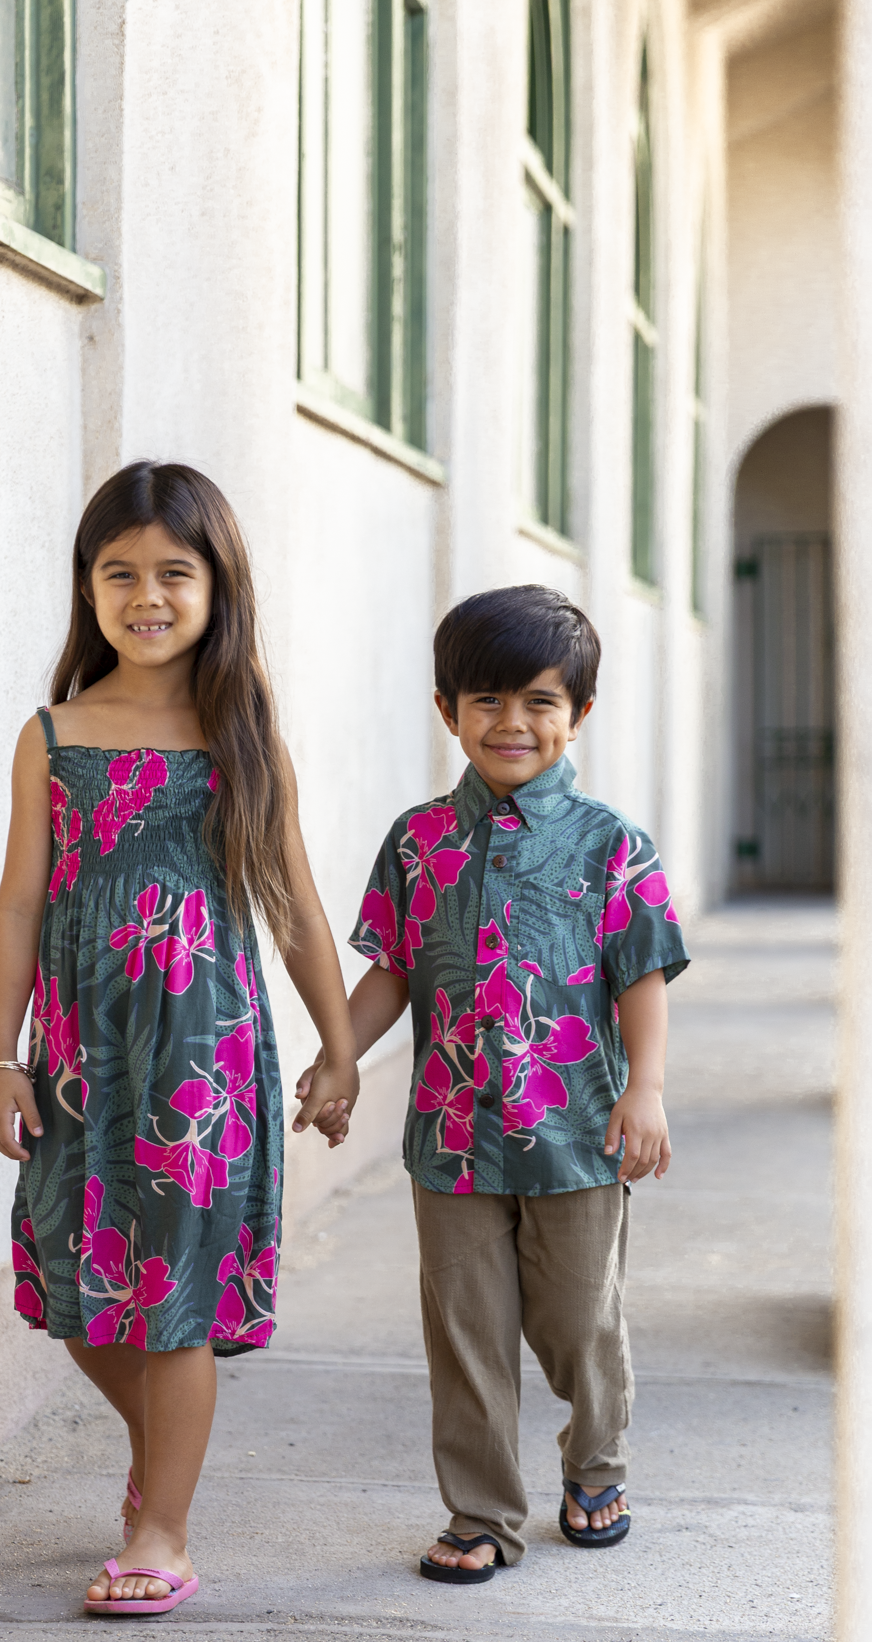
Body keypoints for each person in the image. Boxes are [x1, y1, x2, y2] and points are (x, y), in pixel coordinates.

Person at [0, 461, 359, 1615]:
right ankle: (164, 1451)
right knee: (69, 1273)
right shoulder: (53, 735)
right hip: (79, 1060)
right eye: (118, 573)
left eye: (172, 573)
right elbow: (17, 906)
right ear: (87, 590)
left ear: (217, 587)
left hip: (202, 1058)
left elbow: (291, 906)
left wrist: (340, 1051)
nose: (145, 595)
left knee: (174, 1297)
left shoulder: (241, 738)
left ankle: (163, 1529)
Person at [299, 584, 688, 1582]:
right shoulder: (416, 840)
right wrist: (341, 1055)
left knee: (577, 1325)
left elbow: (638, 971)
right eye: (486, 701)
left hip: (575, 1138)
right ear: (447, 710)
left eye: (539, 702)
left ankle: (594, 1463)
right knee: (466, 1336)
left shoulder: (613, 846)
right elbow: (391, 967)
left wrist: (643, 1088)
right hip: (452, 1139)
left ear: (578, 714)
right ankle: (479, 1516)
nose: (511, 724)